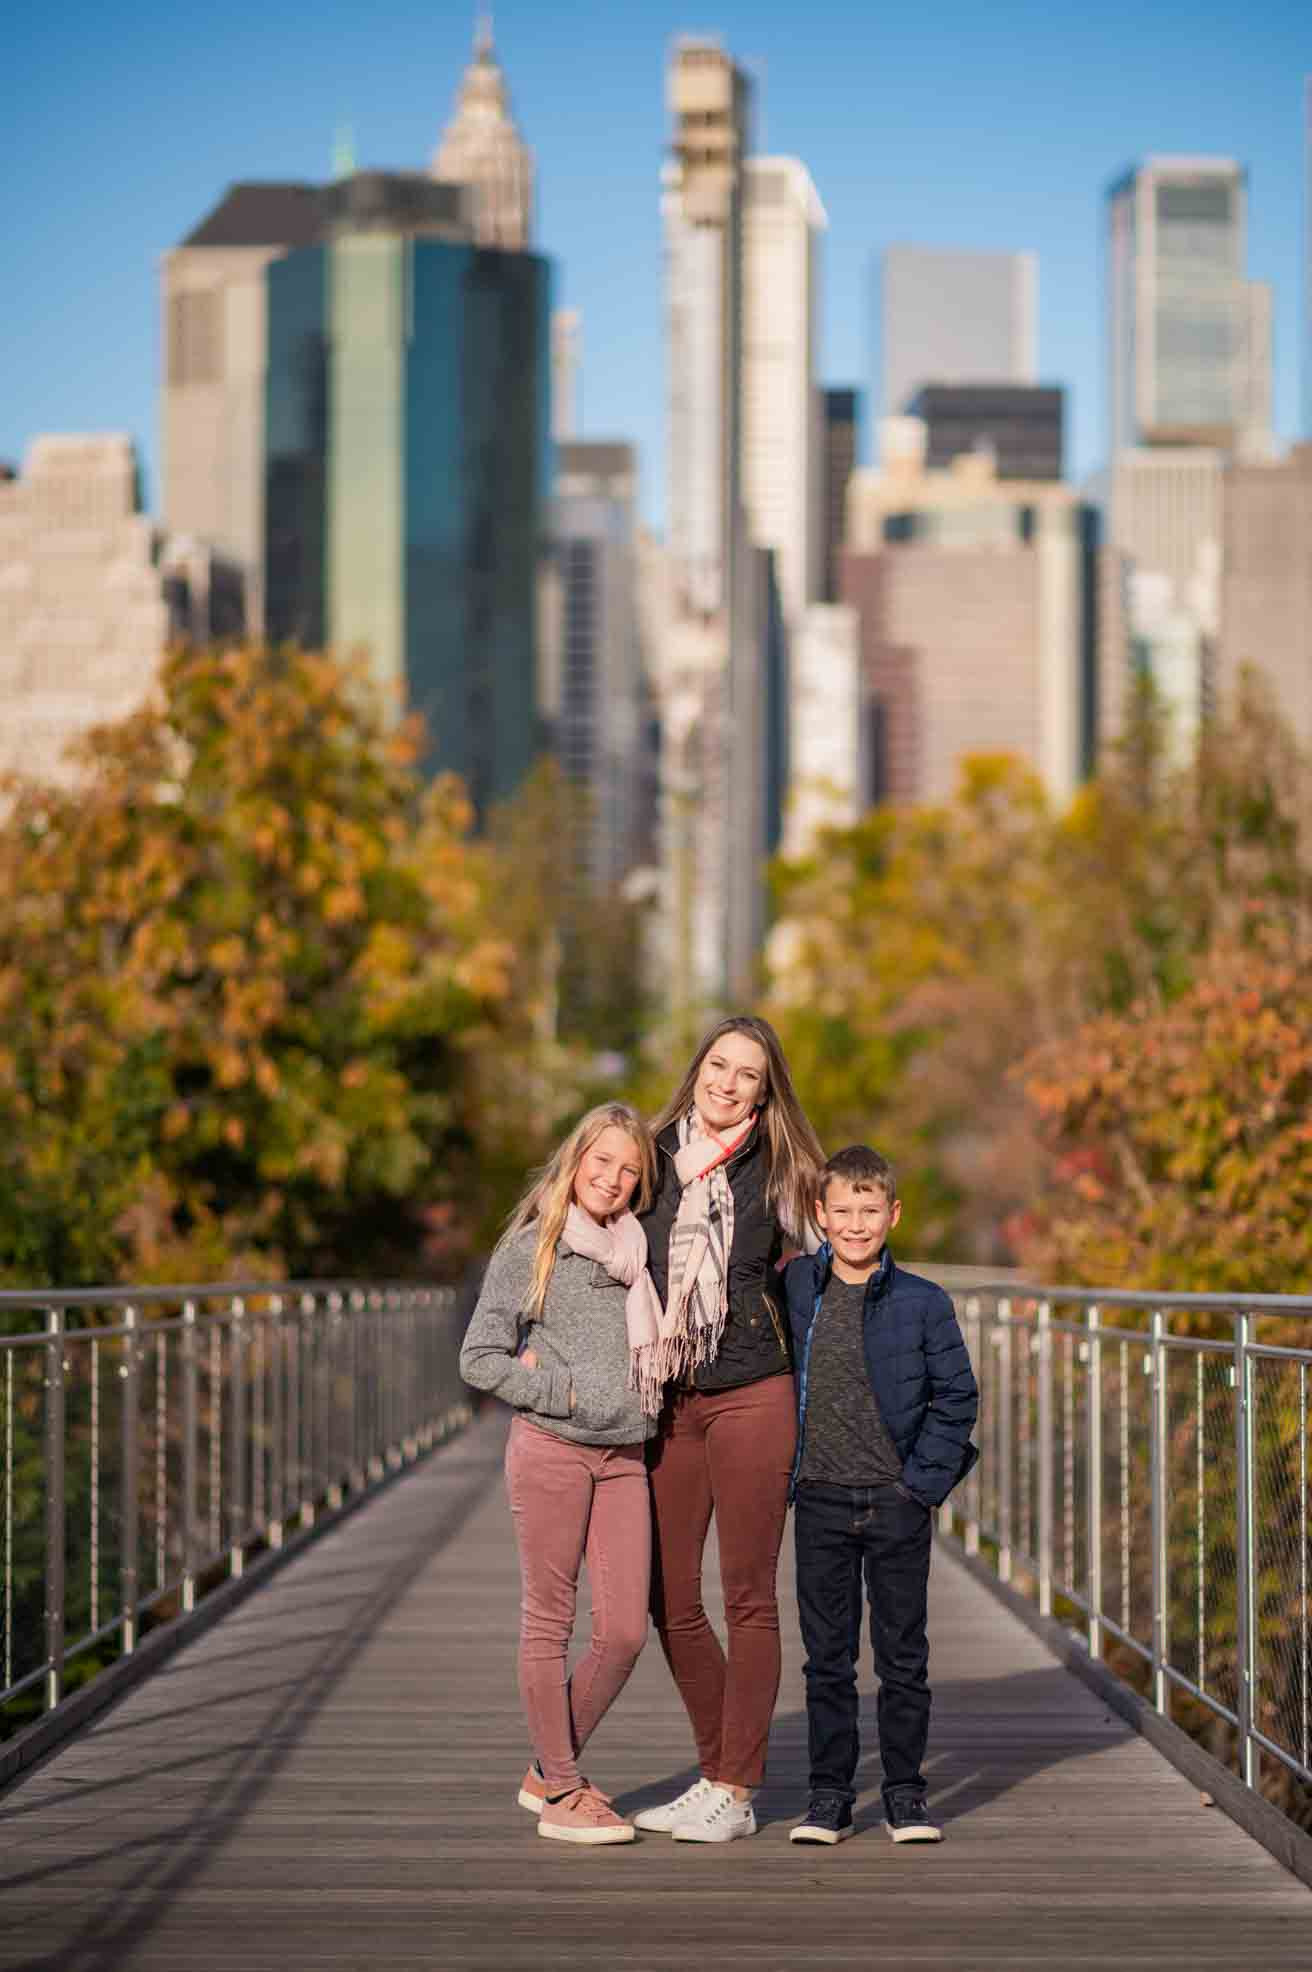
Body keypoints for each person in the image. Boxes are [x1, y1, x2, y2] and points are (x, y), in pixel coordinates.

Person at [634, 1015, 825, 1844]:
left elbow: (845, 1261)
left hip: (754, 1392)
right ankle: (718, 1770)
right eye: (718, 1065)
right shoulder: (646, 1155)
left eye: (748, 1073)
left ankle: (736, 1790)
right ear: (697, 1069)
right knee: (667, 1594)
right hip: (668, 1397)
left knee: (748, 1594)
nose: (728, 1082)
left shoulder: (785, 1172)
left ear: (766, 1087)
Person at [459, 1102, 664, 1846]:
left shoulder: (637, 1253)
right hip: (551, 1448)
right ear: (576, 1160)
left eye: (629, 1168)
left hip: (624, 1456)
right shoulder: (533, 1245)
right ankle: (564, 1790)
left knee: (622, 1633)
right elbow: (478, 1357)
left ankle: (548, 1769)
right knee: (550, 1619)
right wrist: (559, 1391)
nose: (612, 1179)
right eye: (601, 1161)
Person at [782, 1145, 979, 1848]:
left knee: (903, 1655)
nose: (856, 1224)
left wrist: (918, 1488)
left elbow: (957, 1399)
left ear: (893, 1214)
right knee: (827, 1658)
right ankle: (830, 1796)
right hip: (821, 1501)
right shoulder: (796, 1289)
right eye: (843, 1211)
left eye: (870, 1211)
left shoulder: (924, 1302)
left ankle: (905, 1794)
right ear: (820, 1215)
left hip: (895, 1503)